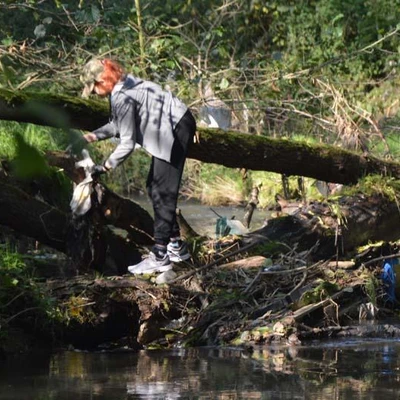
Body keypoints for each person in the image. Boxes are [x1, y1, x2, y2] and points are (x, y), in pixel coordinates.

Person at [79, 58, 196, 274]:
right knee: (153, 187)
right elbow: (117, 124)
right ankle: (176, 246)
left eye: (93, 87)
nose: (93, 93)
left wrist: (104, 167)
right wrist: (92, 137)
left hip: (174, 127)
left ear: (103, 80)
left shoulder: (122, 94)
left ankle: (160, 255)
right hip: (174, 125)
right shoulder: (123, 87)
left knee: (163, 192)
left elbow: (127, 143)